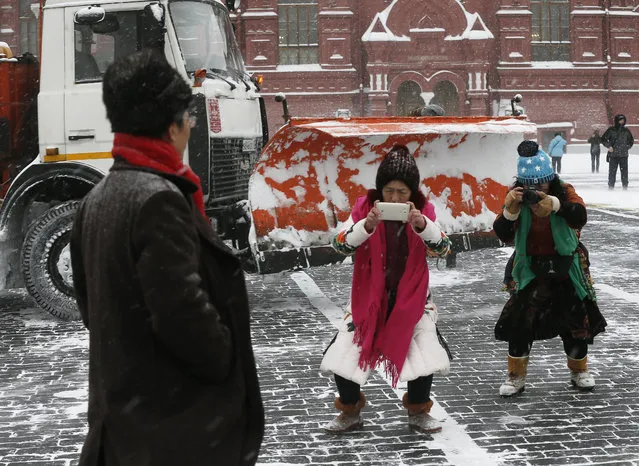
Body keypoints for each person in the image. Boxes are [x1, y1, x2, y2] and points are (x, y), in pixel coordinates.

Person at [69, 50, 264, 465]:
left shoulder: (97, 198)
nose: (191, 128)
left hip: (123, 420)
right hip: (168, 426)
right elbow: (181, 310)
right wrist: (223, 358)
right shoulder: (159, 199)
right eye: (188, 118)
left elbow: (90, 307)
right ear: (172, 125)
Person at [320, 145, 452, 434]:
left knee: (422, 356)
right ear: (380, 190)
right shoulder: (364, 210)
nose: (394, 198)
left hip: (412, 297)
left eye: (402, 192)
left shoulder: (424, 212)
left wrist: (422, 225)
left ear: (412, 193)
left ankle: (418, 411)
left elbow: (443, 247)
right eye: (389, 191)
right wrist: (365, 226)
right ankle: (349, 410)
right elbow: (339, 244)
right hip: (368, 297)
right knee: (345, 354)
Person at [493, 140, 606, 397]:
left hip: (565, 267)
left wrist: (555, 205)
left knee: (575, 321)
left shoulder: (564, 192)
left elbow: (580, 216)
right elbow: (501, 234)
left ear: (550, 179)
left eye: (541, 183)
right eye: (530, 185)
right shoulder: (516, 199)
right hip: (530, 267)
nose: (536, 190)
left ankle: (579, 370)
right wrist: (510, 211)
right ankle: (515, 376)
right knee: (520, 322)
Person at [602, 114, 634, 190]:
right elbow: (603, 139)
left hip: (623, 155)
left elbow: (631, 141)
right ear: (617, 120)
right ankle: (611, 187)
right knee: (612, 173)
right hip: (613, 156)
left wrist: (626, 148)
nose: (622, 121)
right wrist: (609, 146)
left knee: (624, 173)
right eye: (620, 120)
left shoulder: (626, 130)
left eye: (623, 120)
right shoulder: (611, 130)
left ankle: (625, 187)